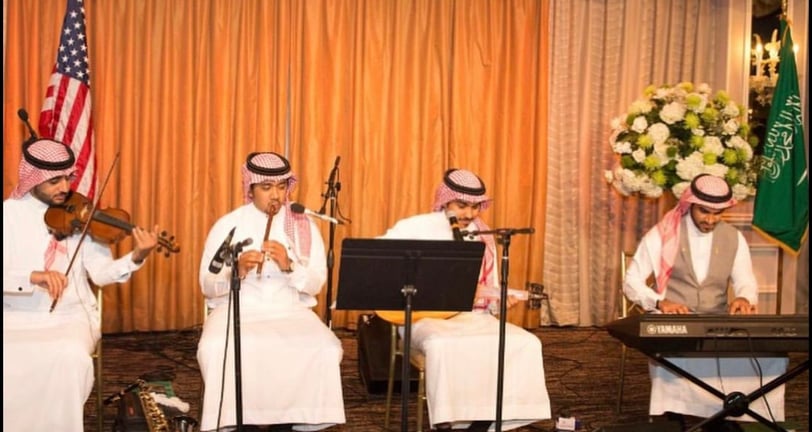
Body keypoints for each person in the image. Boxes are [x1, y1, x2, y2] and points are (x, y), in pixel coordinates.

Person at [3, 138, 159, 431]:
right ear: (32, 179)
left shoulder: (81, 213)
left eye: (68, 178)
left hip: (70, 316)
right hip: (13, 316)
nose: (65, 187)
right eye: (54, 181)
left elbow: (100, 273)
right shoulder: (7, 216)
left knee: (69, 356)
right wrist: (32, 277)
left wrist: (135, 257)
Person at [379, 168, 551, 431]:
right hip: (423, 317)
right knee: (443, 345)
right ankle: (447, 421)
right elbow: (380, 262)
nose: (469, 214)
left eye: (475, 207)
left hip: (473, 316)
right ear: (445, 201)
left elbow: (491, 289)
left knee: (525, 343)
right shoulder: (417, 227)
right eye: (461, 206)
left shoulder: (484, 235)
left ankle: (485, 420)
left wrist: (499, 300)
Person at [623, 173, 789, 429]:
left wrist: (743, 297)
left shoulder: (733, 237)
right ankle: (680, 413)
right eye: (704, 212)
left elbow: (746, 280)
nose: (710, 220)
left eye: (717, 213)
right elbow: (631, 281)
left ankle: (731, 410)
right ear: (690, 204)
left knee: (768, 355)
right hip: (674, 320)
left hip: (717, 317)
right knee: (677, 354)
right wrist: (659, 302)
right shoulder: (663, 233)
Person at [197, 151, 345, 432]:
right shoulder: (229, 225)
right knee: (215, 347)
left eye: (281, 186)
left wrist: (289, 266)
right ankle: (240, 422)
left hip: (289, 309)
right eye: (266, 187)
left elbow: (316, 283)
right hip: (237, 309)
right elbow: (207, 283)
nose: (275, 195)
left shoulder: (302, 225)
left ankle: (290, 420)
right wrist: (236, 271)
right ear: (250, 188)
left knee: (326, 347)